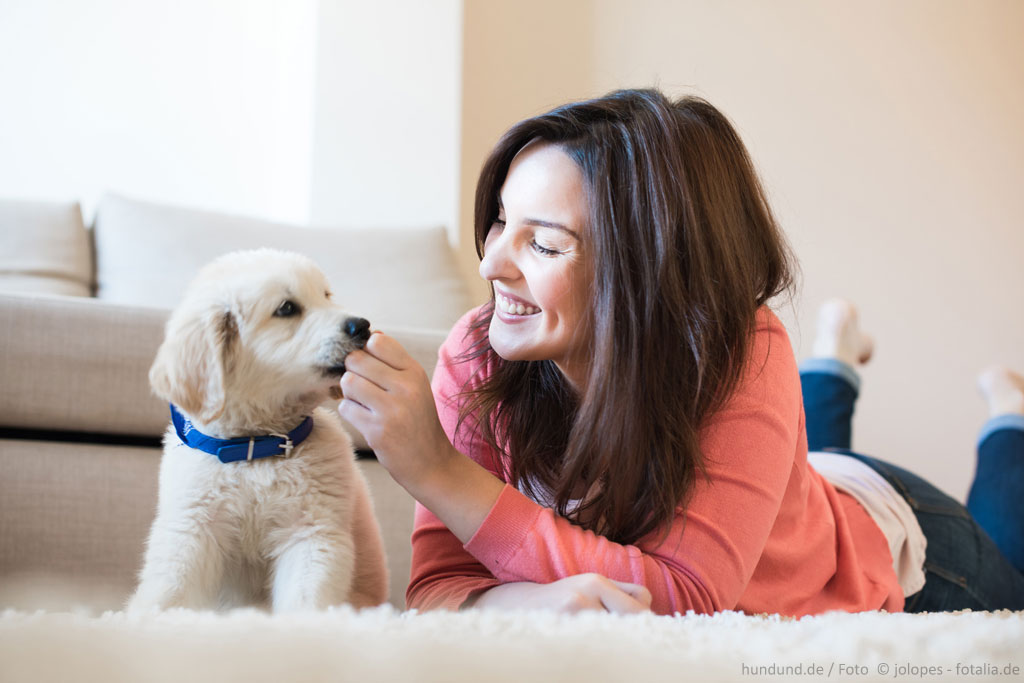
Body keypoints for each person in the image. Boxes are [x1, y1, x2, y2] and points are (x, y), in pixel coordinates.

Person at [336, 89, 1024, 615]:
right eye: (498, 223)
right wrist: (544, 601)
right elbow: (439, 589)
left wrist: (437, 471)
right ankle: (834, 362)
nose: (492, 263)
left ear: (645, 271)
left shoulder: (736, 345)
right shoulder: (479, 353)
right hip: (791, 491)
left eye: (543, 244)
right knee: (797, 463)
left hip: (897, 540)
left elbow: (691, 594)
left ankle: (1005, 417)